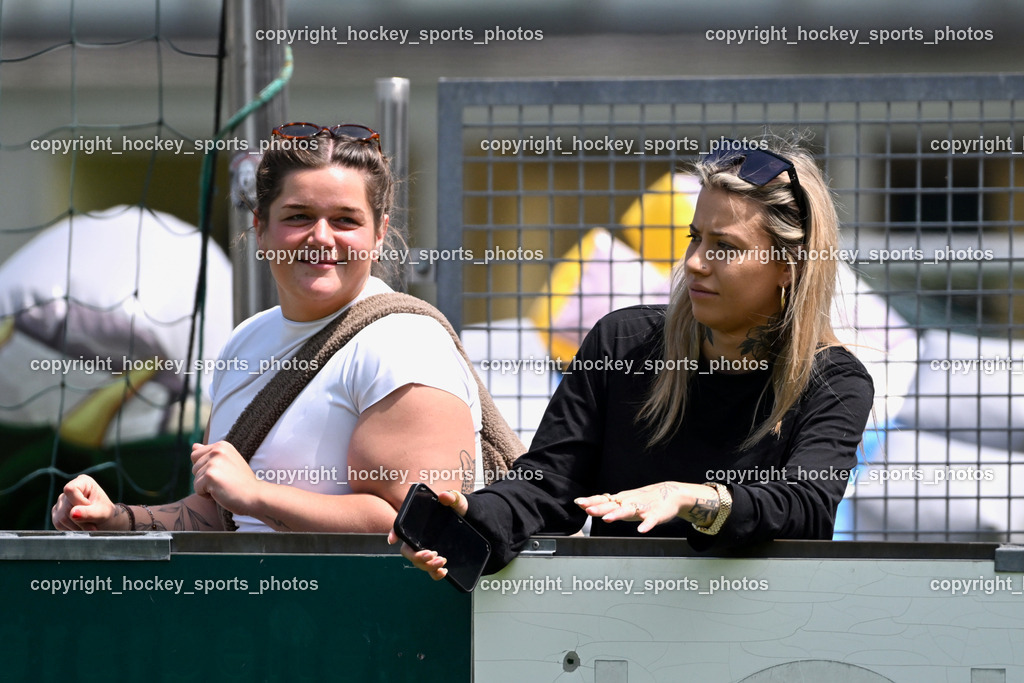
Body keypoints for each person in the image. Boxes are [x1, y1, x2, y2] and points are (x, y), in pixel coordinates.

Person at [391, 134, 875, 578]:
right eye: (695, 238)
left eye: (724, 247)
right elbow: (548, 486)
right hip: (616, 618)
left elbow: (805, 507)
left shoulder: (834, 381)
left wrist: (690, 498)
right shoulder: (623, 343)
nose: (694, 263)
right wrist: (473, 516)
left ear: (789, 266)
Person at [52, 123, 481, 533]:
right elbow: (223, 514)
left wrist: (258, 495)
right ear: (260, 229)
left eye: (345, 220)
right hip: (257, 586)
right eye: (298, 216)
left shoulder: (406, 345)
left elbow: (425, 524)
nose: (321, 237)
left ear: (380, 233)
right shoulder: (246, 339)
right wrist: (117, 519)